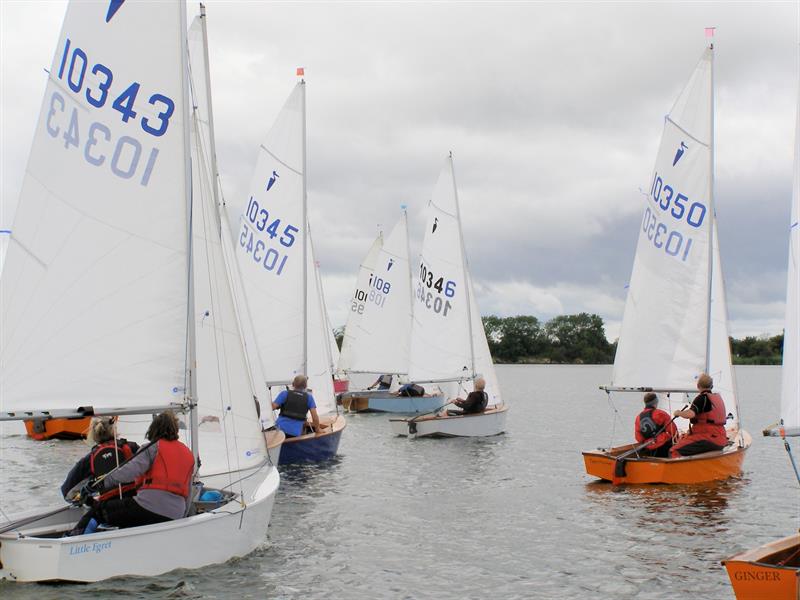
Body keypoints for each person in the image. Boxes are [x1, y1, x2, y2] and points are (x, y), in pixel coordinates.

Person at [69, 411, 195, 535]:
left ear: (154, 428)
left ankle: (72, 541)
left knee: (99, 511)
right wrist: (181, 519)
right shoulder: (188, 454)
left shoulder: (151, 448)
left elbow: (128, 472)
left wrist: (99, 484)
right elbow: (188, 493)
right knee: (127, 510)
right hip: (176, 513)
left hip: (148, 507)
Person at [60, 417, 140, 501]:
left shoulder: (90, 458)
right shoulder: (132, 447)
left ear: (93, 433)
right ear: (114, 430)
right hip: (136, 499)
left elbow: (67, 491)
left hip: (109, 504)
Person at [670, 373, 730, 457]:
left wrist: (678, 412)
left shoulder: (702, 398)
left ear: (698, 386)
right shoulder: (717, 398)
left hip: (707, 438)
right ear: (711, 386)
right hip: (721, 438)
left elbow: (690, 414)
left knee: (674, 450)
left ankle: (678, 469)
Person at [634, 392, 676, 458]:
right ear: (656, 402)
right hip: (664, 447)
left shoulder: (638, 417)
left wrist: (648, 443)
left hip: (649, 449)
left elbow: (638, 437)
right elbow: (673, 431)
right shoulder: (661, 414)